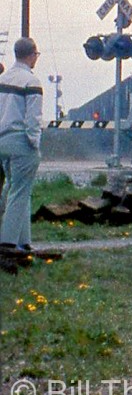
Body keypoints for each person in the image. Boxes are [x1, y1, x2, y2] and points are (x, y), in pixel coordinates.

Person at [0, 37, 43, 252]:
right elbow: (33, 118)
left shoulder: (3, 79)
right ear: (32, 55)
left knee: (18, 188)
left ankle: (24, 241)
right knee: (19, 192)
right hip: (21, 141)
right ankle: (8, 242)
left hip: (2, 141)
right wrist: (34, 143)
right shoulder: (31, 82)